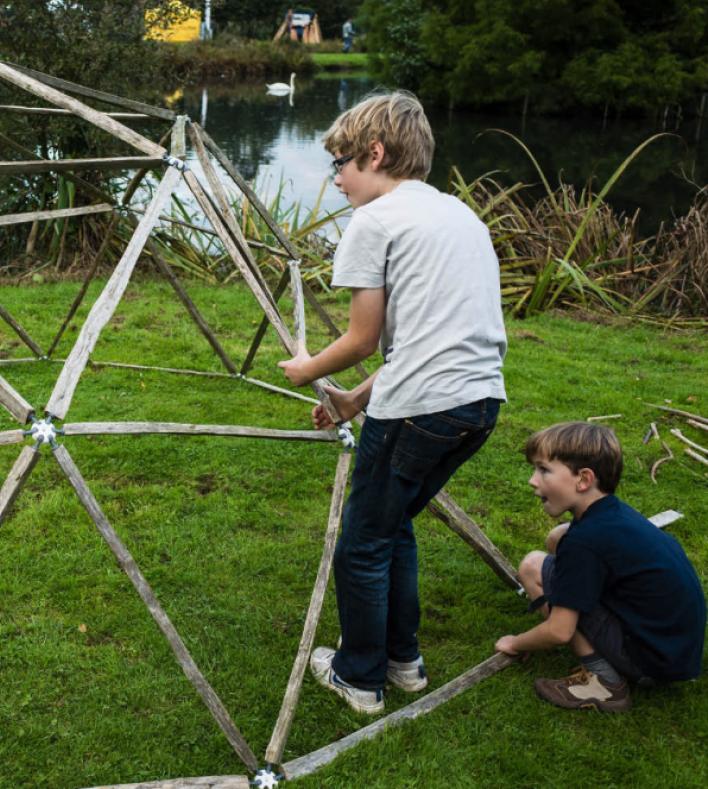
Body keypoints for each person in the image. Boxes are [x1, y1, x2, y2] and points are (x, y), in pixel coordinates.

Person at [278, 90, 507, 714]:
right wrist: (352, 399)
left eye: (341, 167)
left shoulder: (375, 222)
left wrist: (308, 369)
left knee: (362, 544)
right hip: (479, 404)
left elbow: (362, 339)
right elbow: (429, 339)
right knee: (393, 525)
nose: (338, 183)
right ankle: (402, 663)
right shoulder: (460, 216)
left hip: (418, 410)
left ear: (373, 153)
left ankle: (358, 676)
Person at [495, 422, 705, 712]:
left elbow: (559, 632)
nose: (533, 480)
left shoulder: (586, 542)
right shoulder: (614, 515)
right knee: (558, 537)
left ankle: (605, 682)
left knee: (532, 566)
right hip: (674, 652)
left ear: (583, 480)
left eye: (544, 470)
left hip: (649, 662)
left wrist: (517, 642)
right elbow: (560, 539)